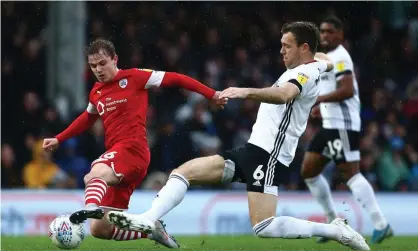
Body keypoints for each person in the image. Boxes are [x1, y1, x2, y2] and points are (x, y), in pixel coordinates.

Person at [106, 22, 370, 251]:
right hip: (252, 149)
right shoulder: (315, 66)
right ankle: (149, 219)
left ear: (303, 48)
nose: (281, 50)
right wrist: (324, 60)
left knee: (263, 226)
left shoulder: (306, 72)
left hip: (269, 155)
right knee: (183, 172)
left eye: (287, 45)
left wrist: (244, 92)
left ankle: (336, 231)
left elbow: (284, 95)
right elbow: (323, 58)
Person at [42, 38, 226, 248]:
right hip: (120, 159)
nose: (98, 69)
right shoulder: (96, 91)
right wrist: (59, 138)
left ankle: (90, 206)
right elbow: (88, 118)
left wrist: (212, 94)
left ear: (115, 59)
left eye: (103, 63)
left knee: (93, 174)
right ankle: (150, 230)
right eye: (93, 66)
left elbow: (178, 79)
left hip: (132, 150)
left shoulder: (136, 77)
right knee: (99, 229)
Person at [301, 16, 393, 245]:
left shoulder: (341, 57)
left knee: (351, 174)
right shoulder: (329, 58)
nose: (325, 35)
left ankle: (381, 224)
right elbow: (338, 91)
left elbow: (348, 90)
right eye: (322, 31)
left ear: (340, 35)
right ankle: (333, 222)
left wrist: (321, 100)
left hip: (343, 126)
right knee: (309, 171)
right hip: (330, 124)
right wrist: (324, 108)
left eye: (330, 31)